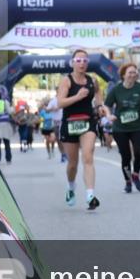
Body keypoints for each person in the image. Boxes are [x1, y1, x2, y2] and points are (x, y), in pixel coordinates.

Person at [56, 49, 101, 210]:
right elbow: (60, 103)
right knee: (73, 164)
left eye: (85, 60)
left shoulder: (92, 80)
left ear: (88, 63)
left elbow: (98, 94)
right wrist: (78, 96)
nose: (82, 63)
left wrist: (100, 106)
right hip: (69, 123)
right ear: (73, 63)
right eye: (78, 60)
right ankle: (71, 187)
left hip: (87, 122)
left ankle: (90, 196)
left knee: (88, 156)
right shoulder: (66, 81)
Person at [104, 63, 140, 193]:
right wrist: (109, 115)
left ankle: (136, 175)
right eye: (130, 72)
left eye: (135, 72)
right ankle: (128, 182)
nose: (133, 74)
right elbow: (107, 105)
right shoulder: (116, 90)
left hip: (138, 126)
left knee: (139, 152)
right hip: (120, 128)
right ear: (123, 75)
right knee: (126, 156)